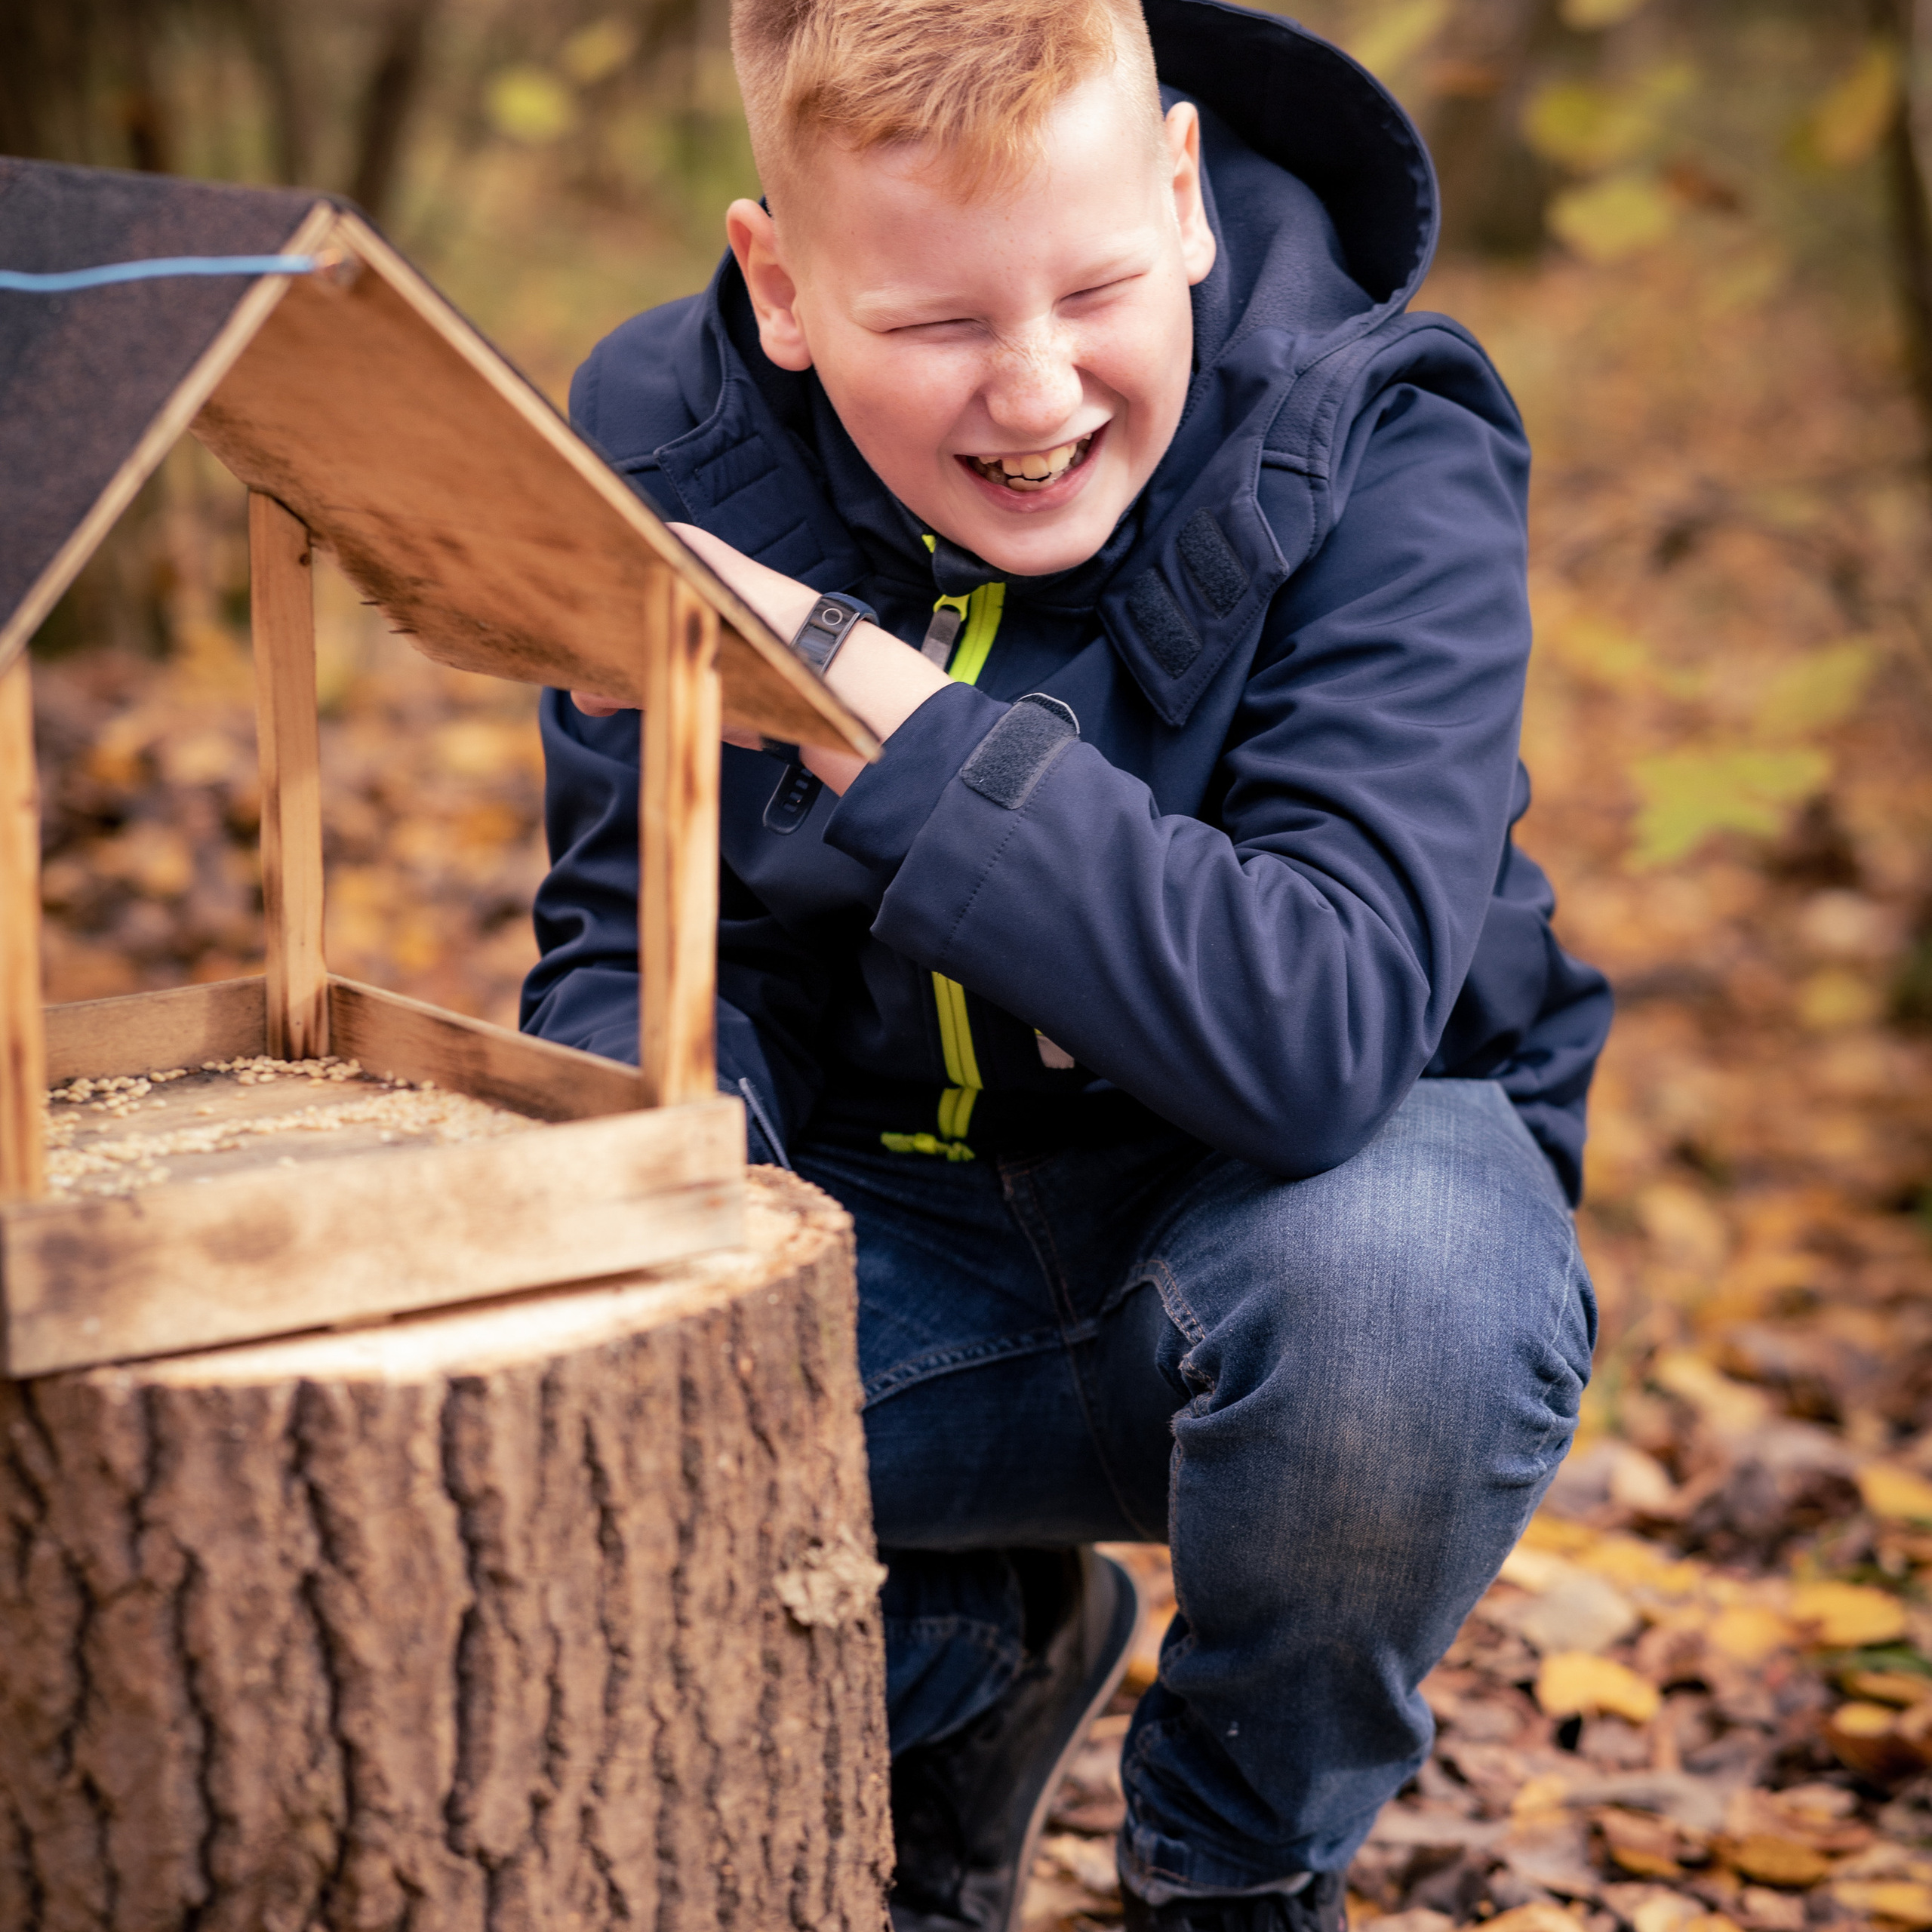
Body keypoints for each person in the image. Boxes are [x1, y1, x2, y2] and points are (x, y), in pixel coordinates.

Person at [522, 0, 1613, 1924]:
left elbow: (1322, 1028)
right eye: (936, 326)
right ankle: (962, 1651)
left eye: (1094, 287)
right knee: (540, 1392)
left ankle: (1229, 1867)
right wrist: (672, 1209)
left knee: (1407, 1294)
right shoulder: (658, 438)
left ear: (1181, 191)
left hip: (1283, 1226)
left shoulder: (1390, 441)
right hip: (884, 1260)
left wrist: (870, 706)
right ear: (776, 284)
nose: (1033, 397)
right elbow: (645, 933)